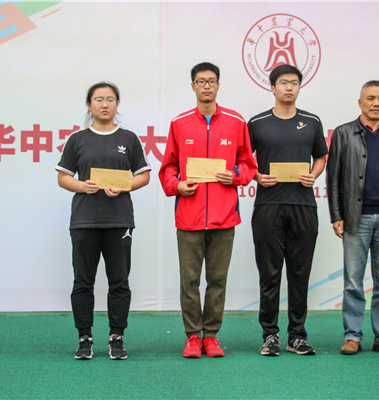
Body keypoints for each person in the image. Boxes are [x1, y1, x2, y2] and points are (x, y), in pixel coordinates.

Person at [159, 62, 257, 358]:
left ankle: (211, 336)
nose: (206, 86)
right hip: (189, 216)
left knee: (217, 280)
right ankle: (192, 336)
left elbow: (248, 164)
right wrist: (177, 185)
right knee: (189, 281)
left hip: (223, 217)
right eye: (200, 81)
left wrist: (235, 175)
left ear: (218, 85)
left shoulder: (236, 122)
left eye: (211, 81)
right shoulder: (179, 123)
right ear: (193, 86)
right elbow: (168, 166)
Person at [56, 82, 151, 360]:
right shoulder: (77, 139)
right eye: (99, 99)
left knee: (119, 282)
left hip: (118, 220)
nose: (105, 104)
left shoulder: (129, 138)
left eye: (110, 99)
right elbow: (63, 177)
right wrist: (81, 186)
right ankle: (84, 338)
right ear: (89, 105)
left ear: (117, 104)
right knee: (82, 282)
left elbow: (144, 175)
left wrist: (124, 186)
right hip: (84, 221)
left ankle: (116, 337)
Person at [326, 80, 379, 356]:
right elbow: (333, 179)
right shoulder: (343, 134)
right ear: (360, 102)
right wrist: (337, 215)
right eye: (371, 98)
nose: (377, 103)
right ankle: (352, 336)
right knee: (353, 282)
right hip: (355, 219)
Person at [247, 64, 327, 356]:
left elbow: (321, 156)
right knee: (269, 274)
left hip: (303, 204)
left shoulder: (312, 121)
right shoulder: (257, 123)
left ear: (299, 87)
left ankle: (297, 336)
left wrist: (314, 175)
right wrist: (257, 176)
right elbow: (243, 160)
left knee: (299, 273)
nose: (289, 87)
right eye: (283, 82)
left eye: (294, 82)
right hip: (268, 205)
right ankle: (270, 335)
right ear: (272, 87)